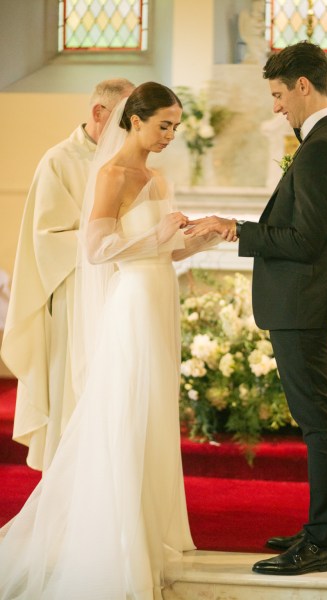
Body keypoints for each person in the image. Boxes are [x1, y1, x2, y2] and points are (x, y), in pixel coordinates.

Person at [0, 81, 220, 600]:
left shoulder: (158, 179)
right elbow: (98, 251)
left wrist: (199, 239)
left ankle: (154, 531)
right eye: (163, 124)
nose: (170, 135)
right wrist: (161, 235)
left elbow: (163, 252)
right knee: (125, 413)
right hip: (132, 307)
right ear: (134, 120)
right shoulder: (112, 174)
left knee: (155, 415)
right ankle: (118, 541)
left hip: (159, 300)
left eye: (176, 126)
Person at [185, 41, 327, 575]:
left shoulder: (324, 147)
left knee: (319, 424)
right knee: (324, 420)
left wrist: (233, 229)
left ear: (303, 86)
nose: (276, 107)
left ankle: (321, 543)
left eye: (278, 94)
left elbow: (303, 240)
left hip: (303, 303)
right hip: (306, 301)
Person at [0, 78, 135, 471]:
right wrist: (117, 237)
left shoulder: (128, 160)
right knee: (74, 397)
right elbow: (47, 240)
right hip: (73, 296)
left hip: (118, 294)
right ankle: (69, 490)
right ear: (99, 114)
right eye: (128, 117)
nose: (135, 125)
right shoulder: (59, 161)